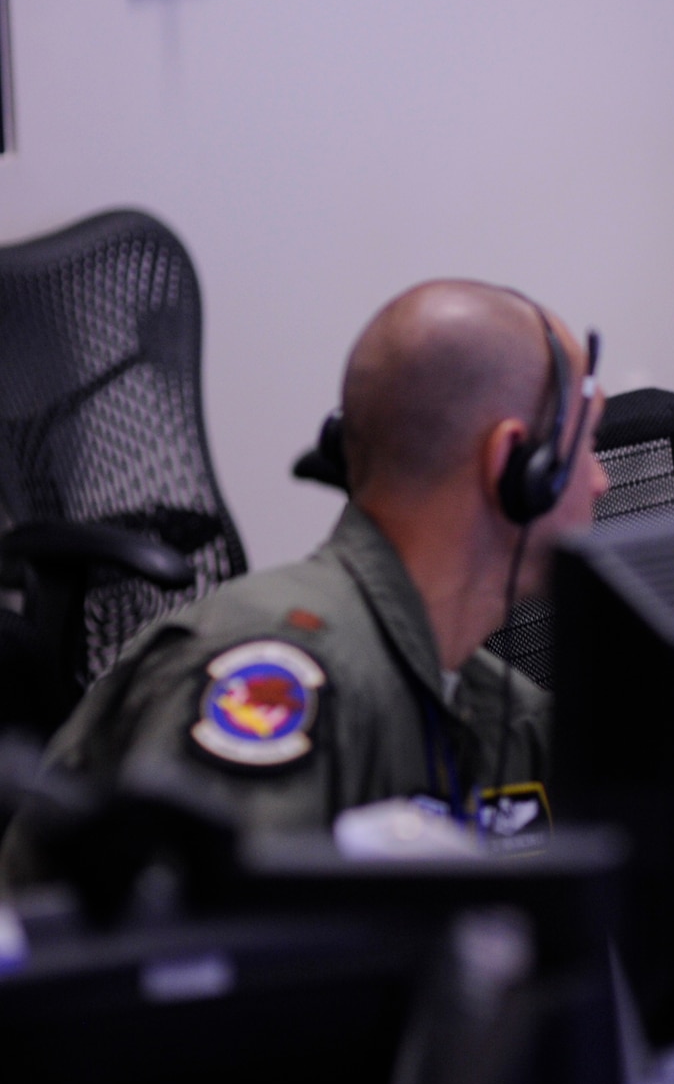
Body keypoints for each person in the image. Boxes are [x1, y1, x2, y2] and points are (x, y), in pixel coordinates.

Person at [1, 281, 607, 882]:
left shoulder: (503, 714)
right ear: (516, 467)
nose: (602, 481)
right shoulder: (280, 677)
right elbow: (212, 960)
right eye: (587, 444)